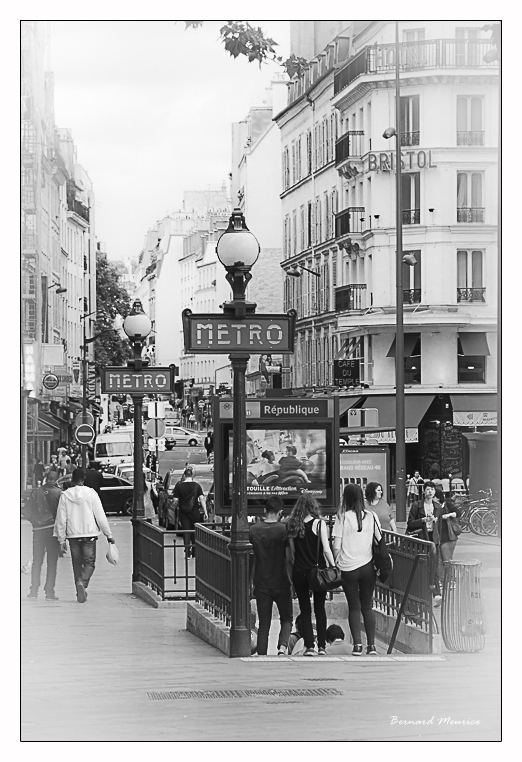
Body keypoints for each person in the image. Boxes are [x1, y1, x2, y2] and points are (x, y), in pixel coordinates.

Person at [54, 468, 115, 603]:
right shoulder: (91, 493)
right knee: (89, 563)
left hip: (73, 535)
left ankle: (79, 592)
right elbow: (100, 516)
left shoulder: (65, 495)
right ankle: (83, 583)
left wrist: (61, 539)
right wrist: (108, 534)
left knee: (76, 564)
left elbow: (61, 519)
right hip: (89, 534)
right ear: (84, 479)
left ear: (72, 479)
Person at [332, 483, 380, 656]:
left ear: (346, 497)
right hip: (368, 567)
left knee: (354, 607)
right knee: (367, 606)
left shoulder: (342, 517)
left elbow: (336, 546)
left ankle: (358, 645)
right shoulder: (371, 516)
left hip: (348, 568)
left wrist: (336, 560)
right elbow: (378, 540)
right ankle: (372, 646)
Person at [286, 495, 336, 657]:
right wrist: (333, 566)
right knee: (320, 609)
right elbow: (326, 549)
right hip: (317, 572)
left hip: (299, 572)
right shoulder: (320, 524)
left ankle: (309, 646)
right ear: (313, 507)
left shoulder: (294, 525)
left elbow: (291, 553)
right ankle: (322, 646)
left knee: (305, 609)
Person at [249, 496, 293, 656]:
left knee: (264, 624)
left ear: (264, 511)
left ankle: (262, 654)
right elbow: (290, 557)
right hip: (282, 581)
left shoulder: (254, 530)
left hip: (261, 583)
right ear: (281, 512)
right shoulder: (284, 529)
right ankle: (282, 647)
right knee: (287, 617)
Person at [24, 472, 62, 600]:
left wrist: (35, 521)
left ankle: (33, 590)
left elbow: (27, 511)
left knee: (37, 561)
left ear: (46, 479)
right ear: (56, 480)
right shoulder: (59, 493)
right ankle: (49, 592)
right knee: (52, 562)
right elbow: (62, 515)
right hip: (52, 531)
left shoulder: (36, 492)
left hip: (38, 530)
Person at [406, 481, 443, 606]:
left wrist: (435, 522)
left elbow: (440, 525)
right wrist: (422, 520)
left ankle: (437, 594)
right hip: (421, 539)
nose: (430, 491)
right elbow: (410, 523)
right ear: (424, 491)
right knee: (421, 566)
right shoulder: (417, 505)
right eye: (428, 489)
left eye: (432, 489)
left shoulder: (438, 507)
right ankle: (421, 594)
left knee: (434, 566)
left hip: (433, 539)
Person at [172, 465, 207, 557]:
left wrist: (175, 505)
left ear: (184, 475)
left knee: (186, 531)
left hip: (183, 512)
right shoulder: (197, 486)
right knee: (194, 531)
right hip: (194, 511)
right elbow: (202, 499)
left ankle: (187, 551)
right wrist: (205, 511)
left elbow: (175, 500)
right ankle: (195, 551)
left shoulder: (179, 486)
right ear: (192, 475)